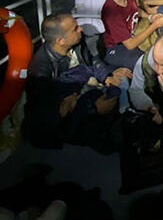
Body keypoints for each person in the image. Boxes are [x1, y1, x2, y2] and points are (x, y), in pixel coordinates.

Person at [22, 14, 131, 154]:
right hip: (70, 117)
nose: (81, 29)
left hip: (87, 88)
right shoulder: (39, 71)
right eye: (75, 29)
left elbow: (92, 61)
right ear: (61, 41)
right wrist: (93, 108)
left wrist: (107, 76)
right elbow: (50, 114)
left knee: (121, 80)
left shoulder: (77, 42)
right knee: (105, 137)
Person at [101, 0, 163, 70]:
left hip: (133, 33)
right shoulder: (112, 14)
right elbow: (130, 45)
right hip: (118, 47)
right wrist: (154, 26)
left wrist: (150, 17)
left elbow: (135, 10)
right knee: (148, 63)